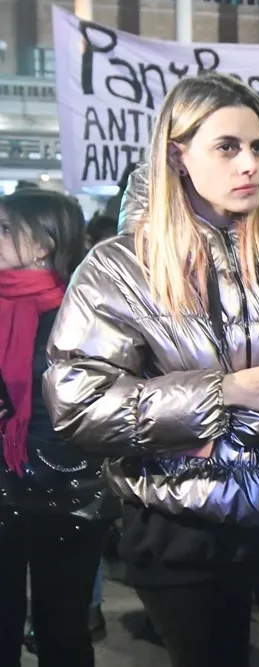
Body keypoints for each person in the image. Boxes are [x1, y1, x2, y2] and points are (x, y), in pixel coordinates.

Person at [42, 72, 259, 667]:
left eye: (258, 147)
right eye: (228, 147)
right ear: (178, 155)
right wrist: (226, 394)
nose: (250, 165)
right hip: (180, 529)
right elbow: (78, 403)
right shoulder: (119, 269)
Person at [0, 188, 114, 667]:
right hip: (3, 491)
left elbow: (101, 407)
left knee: (63, 632)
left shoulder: (84, 313)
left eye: (6, 229)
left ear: (43, 244)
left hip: (69, 491)